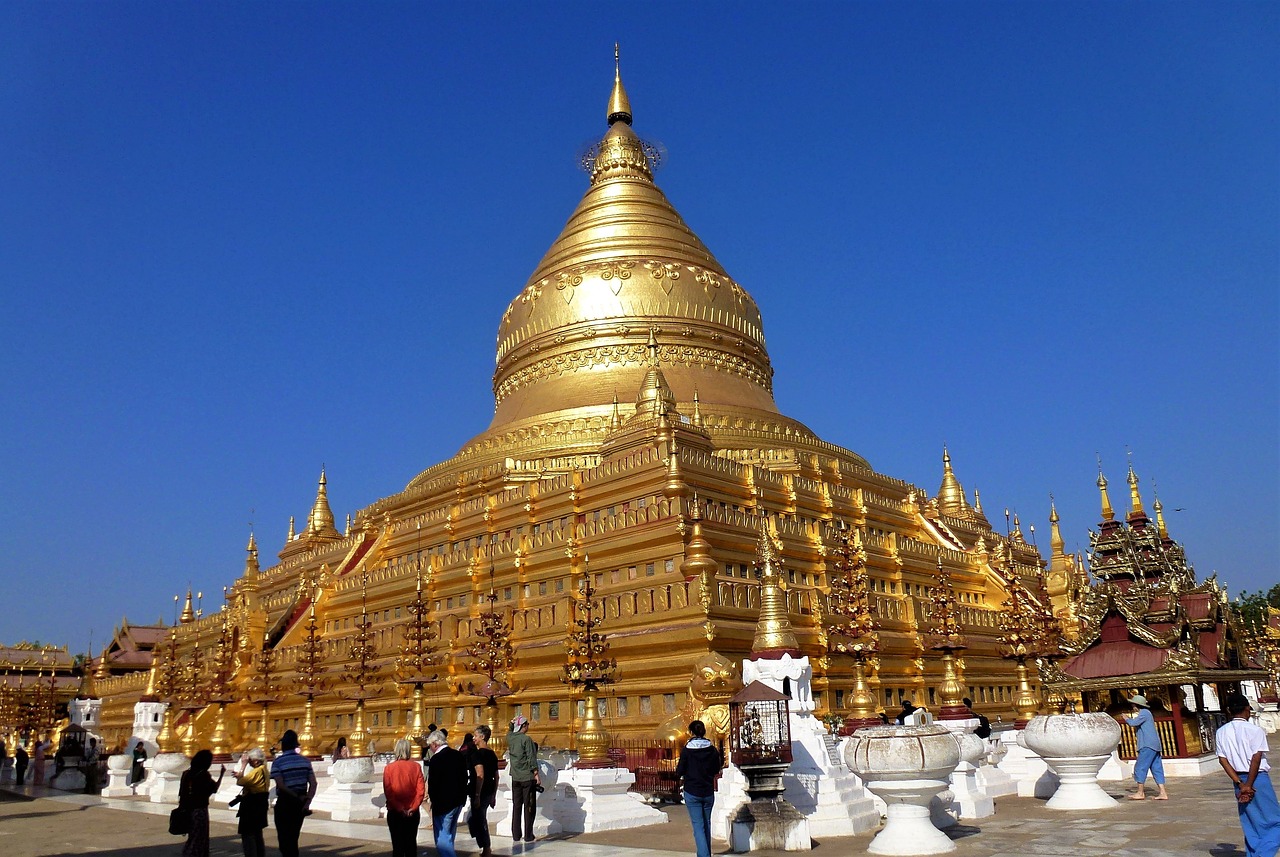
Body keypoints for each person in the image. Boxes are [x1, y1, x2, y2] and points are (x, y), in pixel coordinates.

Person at [1217, 694, 1280, 857]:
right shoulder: (1255, 730)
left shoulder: (1221, 732)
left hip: (1238, 779)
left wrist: (1239, 783)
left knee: (1251, 822)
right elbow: (1256, 758)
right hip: (1257, 779)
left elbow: (1223, 760)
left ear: (1229, 711)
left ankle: (1254, 853)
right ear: (1247, 709)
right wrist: (1249, 785)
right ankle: (1263, 854)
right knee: (1275, 821)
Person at [675, 720, 723, 857]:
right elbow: (716, 769)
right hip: (708, 791)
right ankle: (705, 852)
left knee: (698, 826)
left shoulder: (687, 750)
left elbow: (680, 770)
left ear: (691, 732)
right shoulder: (712, 749)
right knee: (706, 824)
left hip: (692, 790)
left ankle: (704, 855)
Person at [271, 729, 317, 857]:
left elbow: (280, 785)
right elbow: (314, 784)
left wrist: (295, 796)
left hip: (285, 802)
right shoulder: (305, 761)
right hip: (300, 804)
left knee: (284, 839)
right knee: (293, 837)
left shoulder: (278, 762)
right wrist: (307, 801)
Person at [425, 729, 468, 857]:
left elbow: (433, 784)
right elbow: (464, 777)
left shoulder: (436, 759)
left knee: (442, 837)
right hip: (458, 801)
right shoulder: (458, 755)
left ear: (434, 744)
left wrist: (432, 801)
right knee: (450, 834)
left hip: (443, 804)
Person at [179, 749, 226, 857]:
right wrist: (221, 775)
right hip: (200, 811)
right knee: (199, 839)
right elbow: (214, 789)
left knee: (193, 837)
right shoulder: (204, 775)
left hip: (187, 809)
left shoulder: (186, 774)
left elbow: (182, 793)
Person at [1120, 694, 1168, 800]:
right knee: (1156, 768)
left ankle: (1140, 792)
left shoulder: (1144, 713)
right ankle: (1162, 792)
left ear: (1136, 705)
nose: (1132, 706)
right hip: (1154, 745)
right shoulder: (1147, 713)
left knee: (1140, 767)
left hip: (1147, 744)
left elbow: (1133, 723)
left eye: (1133, 704)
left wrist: (1126, 718)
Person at [383, 737, 425, 857]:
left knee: (397, 845)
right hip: (412, 811)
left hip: (395, 811)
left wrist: (400, 808)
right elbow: (420, 791)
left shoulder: (389, 768)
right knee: (411, 843)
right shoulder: (416, 767)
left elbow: (389, 792)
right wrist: (413, 806)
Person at [467, 725, 499, 857]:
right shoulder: (492, 754)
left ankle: (486, 847)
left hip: (480, 791)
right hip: (489, 790)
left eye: (476, 736)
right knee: (478, 818)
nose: (474, 738)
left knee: (478, 819)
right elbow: (497, 776)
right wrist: (494, 795)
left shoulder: (477, 754)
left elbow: (480, 774)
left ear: (482, 737)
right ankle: (485, 845)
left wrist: (477, 795)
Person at [507, 714, 540, 843]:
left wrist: (511, 723)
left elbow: (509, 731)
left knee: (516, 806)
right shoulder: (527, 740)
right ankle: (528, 835)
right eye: (527, 725)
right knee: (529, 806)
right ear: (524, 726)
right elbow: (531, 758)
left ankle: (516, 834)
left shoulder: (510, 738)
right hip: (527, 777)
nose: (528, 727)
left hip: (515, 777)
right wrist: (536, 774)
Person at [233, 747, 270, 857]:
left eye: (250, 760)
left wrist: (243, 766)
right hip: (260, 804)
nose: (249, 762)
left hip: (252, 806)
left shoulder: (257, 771)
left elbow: (240, 781)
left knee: (248, 835)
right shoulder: (264, 770)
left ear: (256, 761)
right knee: (257, 834)